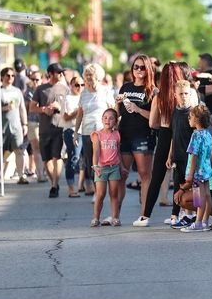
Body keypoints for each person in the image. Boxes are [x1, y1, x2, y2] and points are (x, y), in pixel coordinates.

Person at [135, 62, 184, 227]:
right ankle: (175, 215)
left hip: (164, 134)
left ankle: (145, 216)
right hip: (181, 136)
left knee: (157, 176)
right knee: (179, 176)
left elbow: (152, 123)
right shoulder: (185, 94)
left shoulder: (159, 97)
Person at [115, 55, 156, 213]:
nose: (138, 70)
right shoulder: (125, 87)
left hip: (143, 135)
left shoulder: (153, 90)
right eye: (136, 67)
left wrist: (138, 109)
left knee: (145, 176)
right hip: (124, 134)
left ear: (148, 70)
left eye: (142, 67)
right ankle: (114, 214)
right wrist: (117, 103)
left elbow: (155, 118)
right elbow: (118, 113)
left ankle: (144, 215)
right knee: (122, 175)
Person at [74, 63, 115, 196]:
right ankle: (98, 192)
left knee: (103, 162)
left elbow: (113, 110)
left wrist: (114, 128)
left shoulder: (105, 91)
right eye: (86, 75)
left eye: (90, 74)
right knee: (91, 163)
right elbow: (80, 114)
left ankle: (103, 189)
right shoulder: (84, 93)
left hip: (103, 132)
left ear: (97, 76)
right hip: (87, 132)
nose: (88, 77)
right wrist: (75, 133)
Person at [31, 63, 70, 198]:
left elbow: (71, 107)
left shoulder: (65, 89)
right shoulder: (41, 89)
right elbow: (32, 107)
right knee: (46, 160)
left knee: (57, 156)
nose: (61, 74)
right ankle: (54, 182)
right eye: (58, 72)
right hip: (44, 129)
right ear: (51, 74)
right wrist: (43, 109)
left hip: (59, 128)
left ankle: (54, 185)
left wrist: (60, 106)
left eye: (62, 72)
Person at [165, 79, 200, 229]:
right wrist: (169, 155)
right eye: (181, 94)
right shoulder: (175, 113)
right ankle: (179, 214)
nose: (184, 96)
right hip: (178, 155)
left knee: (193, 186)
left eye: (186, 93)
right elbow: (173, 136)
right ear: (175, 95)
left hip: (190, 156)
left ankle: (195, 214)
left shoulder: (192, 113)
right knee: (178, 185)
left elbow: (197, 136)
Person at [176, 105, 212, 232]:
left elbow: (193, 155)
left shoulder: (196, 135)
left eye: (190, 117)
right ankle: (205, 221)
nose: (189, 119)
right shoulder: (208, 134)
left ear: (197, 120)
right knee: (207, 195)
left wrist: (190, 174)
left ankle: (197, 222)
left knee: (198, 197)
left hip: (197, 171)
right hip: (206, 169)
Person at [89, 109, 125, 227]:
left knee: (114, 193)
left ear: (115, 121)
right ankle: (95, 218)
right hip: (101, 168)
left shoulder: (117, 134)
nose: (107, 120)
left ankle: (115, 218)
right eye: (105, 117)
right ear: (101, 119)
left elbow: (118, 152)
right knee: (100, 194)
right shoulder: (97, 135)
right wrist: (95, 166)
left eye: (111, 118)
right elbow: (96, 151)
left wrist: (122, 166)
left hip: (114, 168)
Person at [0, 67, 28, 185]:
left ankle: (21, 175)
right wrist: (5, 108)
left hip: (16, 126)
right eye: (7, 75)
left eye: (12, 76)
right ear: (2, 77)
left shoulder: (17, 91)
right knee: (1, 152)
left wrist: (24, 124)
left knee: (19, 151)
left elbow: (22, 108)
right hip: (2, 127)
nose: (10, 78)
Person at [59, 76, 83, 198]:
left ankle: (87, 186)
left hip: (86, 131)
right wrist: (78, 112)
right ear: (71, 85)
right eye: (77, 85)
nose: (79, 88)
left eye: (82, 85)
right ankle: (71, 187)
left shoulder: (85, 96)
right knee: (74, 158)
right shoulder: (67, 99)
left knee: (87, 160)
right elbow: (66, 117)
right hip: (71, 131)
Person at [24, 70, 46, 182]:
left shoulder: (46, 91)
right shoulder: (28, 93)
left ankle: (43, 171)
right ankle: (40, 174)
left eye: (37, 79)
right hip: (32, 122)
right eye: (33, 79)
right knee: (36, 148)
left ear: (41, 80)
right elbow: (26, 108)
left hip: (44, 122)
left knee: (44, 148)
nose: (35, 82)